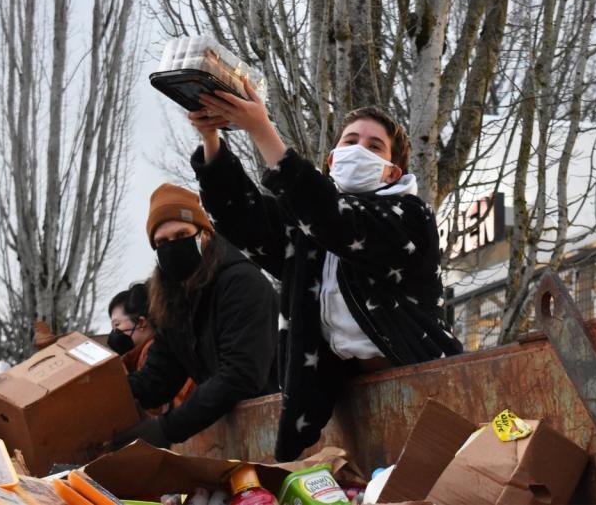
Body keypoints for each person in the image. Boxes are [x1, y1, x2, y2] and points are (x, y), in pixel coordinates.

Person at [189, 80, 464, 461]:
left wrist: (261, 129)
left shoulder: (410, 217)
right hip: (340, 399)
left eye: (374, 146)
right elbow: (244, 218)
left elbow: (338, 221)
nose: (359, 150)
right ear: (332, 161)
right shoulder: (308, 231)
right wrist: (211, 137)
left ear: (390, 173)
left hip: (423, 386)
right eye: (350, 141)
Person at [113, 183, 279, 449]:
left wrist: (166, 429)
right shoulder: (173, 300)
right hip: (231, 438)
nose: (172, 247)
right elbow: (158, 379)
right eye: (161, 242)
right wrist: (101, 395)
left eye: (181, 234)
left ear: (205, 234)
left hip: (271, 428)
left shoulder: (242, 283)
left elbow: (240, 374)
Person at [107, 283, 157, 371]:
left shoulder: (152, 353)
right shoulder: (138, 356)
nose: (114, 332)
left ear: (141, 323)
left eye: (117, 324)